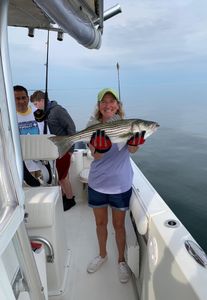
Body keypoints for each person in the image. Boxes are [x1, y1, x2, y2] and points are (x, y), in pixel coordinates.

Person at [86, 88, 146, 283]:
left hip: (120, 185)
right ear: (98, 106)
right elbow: (95, 155)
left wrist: (135, 142)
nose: (108, 105)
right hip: (97, 183)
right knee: (100, 224)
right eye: (104, 101)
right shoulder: (92, 125)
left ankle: (121, 260)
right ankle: (102, 255)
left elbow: (132, 150)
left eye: (112, 101)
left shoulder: (128, 125)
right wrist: (100, 149)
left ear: (118, 105)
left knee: (119, 226)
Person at [30, 90, 76, 211]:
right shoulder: (46, 113)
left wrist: (70, 149)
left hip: (64, 149)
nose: (35, 107)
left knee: (63, 177)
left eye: (36, 103)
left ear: (42, 101)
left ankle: (71, 200)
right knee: (60, 176)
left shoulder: (58, 111)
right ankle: (65, 197)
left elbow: (71, 127)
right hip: (54, 151)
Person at [14, 85, 45, 186]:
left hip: (40, 164)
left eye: (23, 98)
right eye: (17, 98)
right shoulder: (10, 118)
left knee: (44, 192)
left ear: (28, 98)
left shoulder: (38, 113)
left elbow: (47, 136)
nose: (21, 101)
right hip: (22, 168)